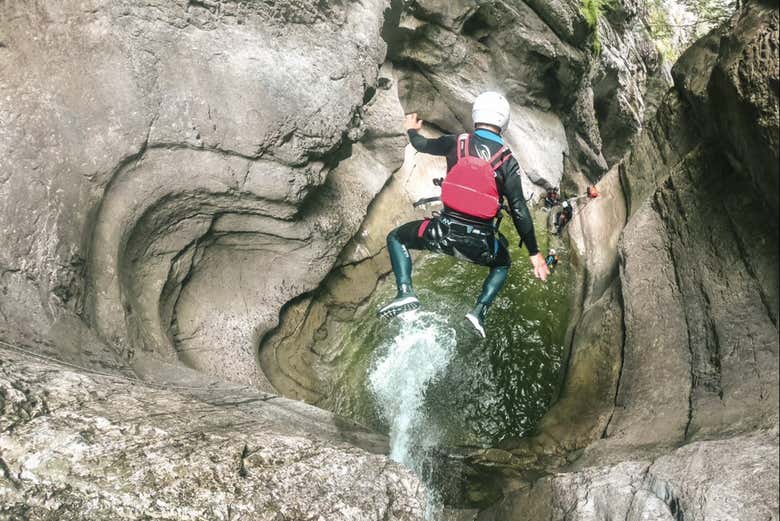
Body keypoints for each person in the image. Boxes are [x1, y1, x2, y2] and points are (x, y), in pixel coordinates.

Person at [377, 91, 550, 338]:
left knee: (396, 237)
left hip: (440, 233)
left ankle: (405, 292)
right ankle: (478, 312)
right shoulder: (507, 161)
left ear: (476, 115)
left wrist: (411, 130)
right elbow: (520, 209)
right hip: (482, 245)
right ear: (504, 122)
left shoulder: (456, 142)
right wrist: (534, 253)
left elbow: (421, 145)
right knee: (503, 263)